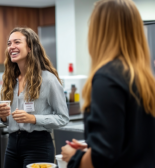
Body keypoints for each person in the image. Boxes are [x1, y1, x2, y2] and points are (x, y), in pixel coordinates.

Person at [61, 0, 155, 167]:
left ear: (99, 33)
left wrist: (75, 157)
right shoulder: (146, 79)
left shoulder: (107, 78)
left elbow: (102, 158)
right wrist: (92, 146)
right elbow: (136, 142)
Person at [0, 27, 69, 168]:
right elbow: (6, 121)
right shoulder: (9, 80)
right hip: (12, 146)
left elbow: (63, 118)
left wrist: (33, 119)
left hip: (38, 146)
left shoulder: (48, 79)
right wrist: (2, 116)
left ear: (30, 47)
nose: (12, 47)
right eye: (9, 43)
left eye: (17, 42)